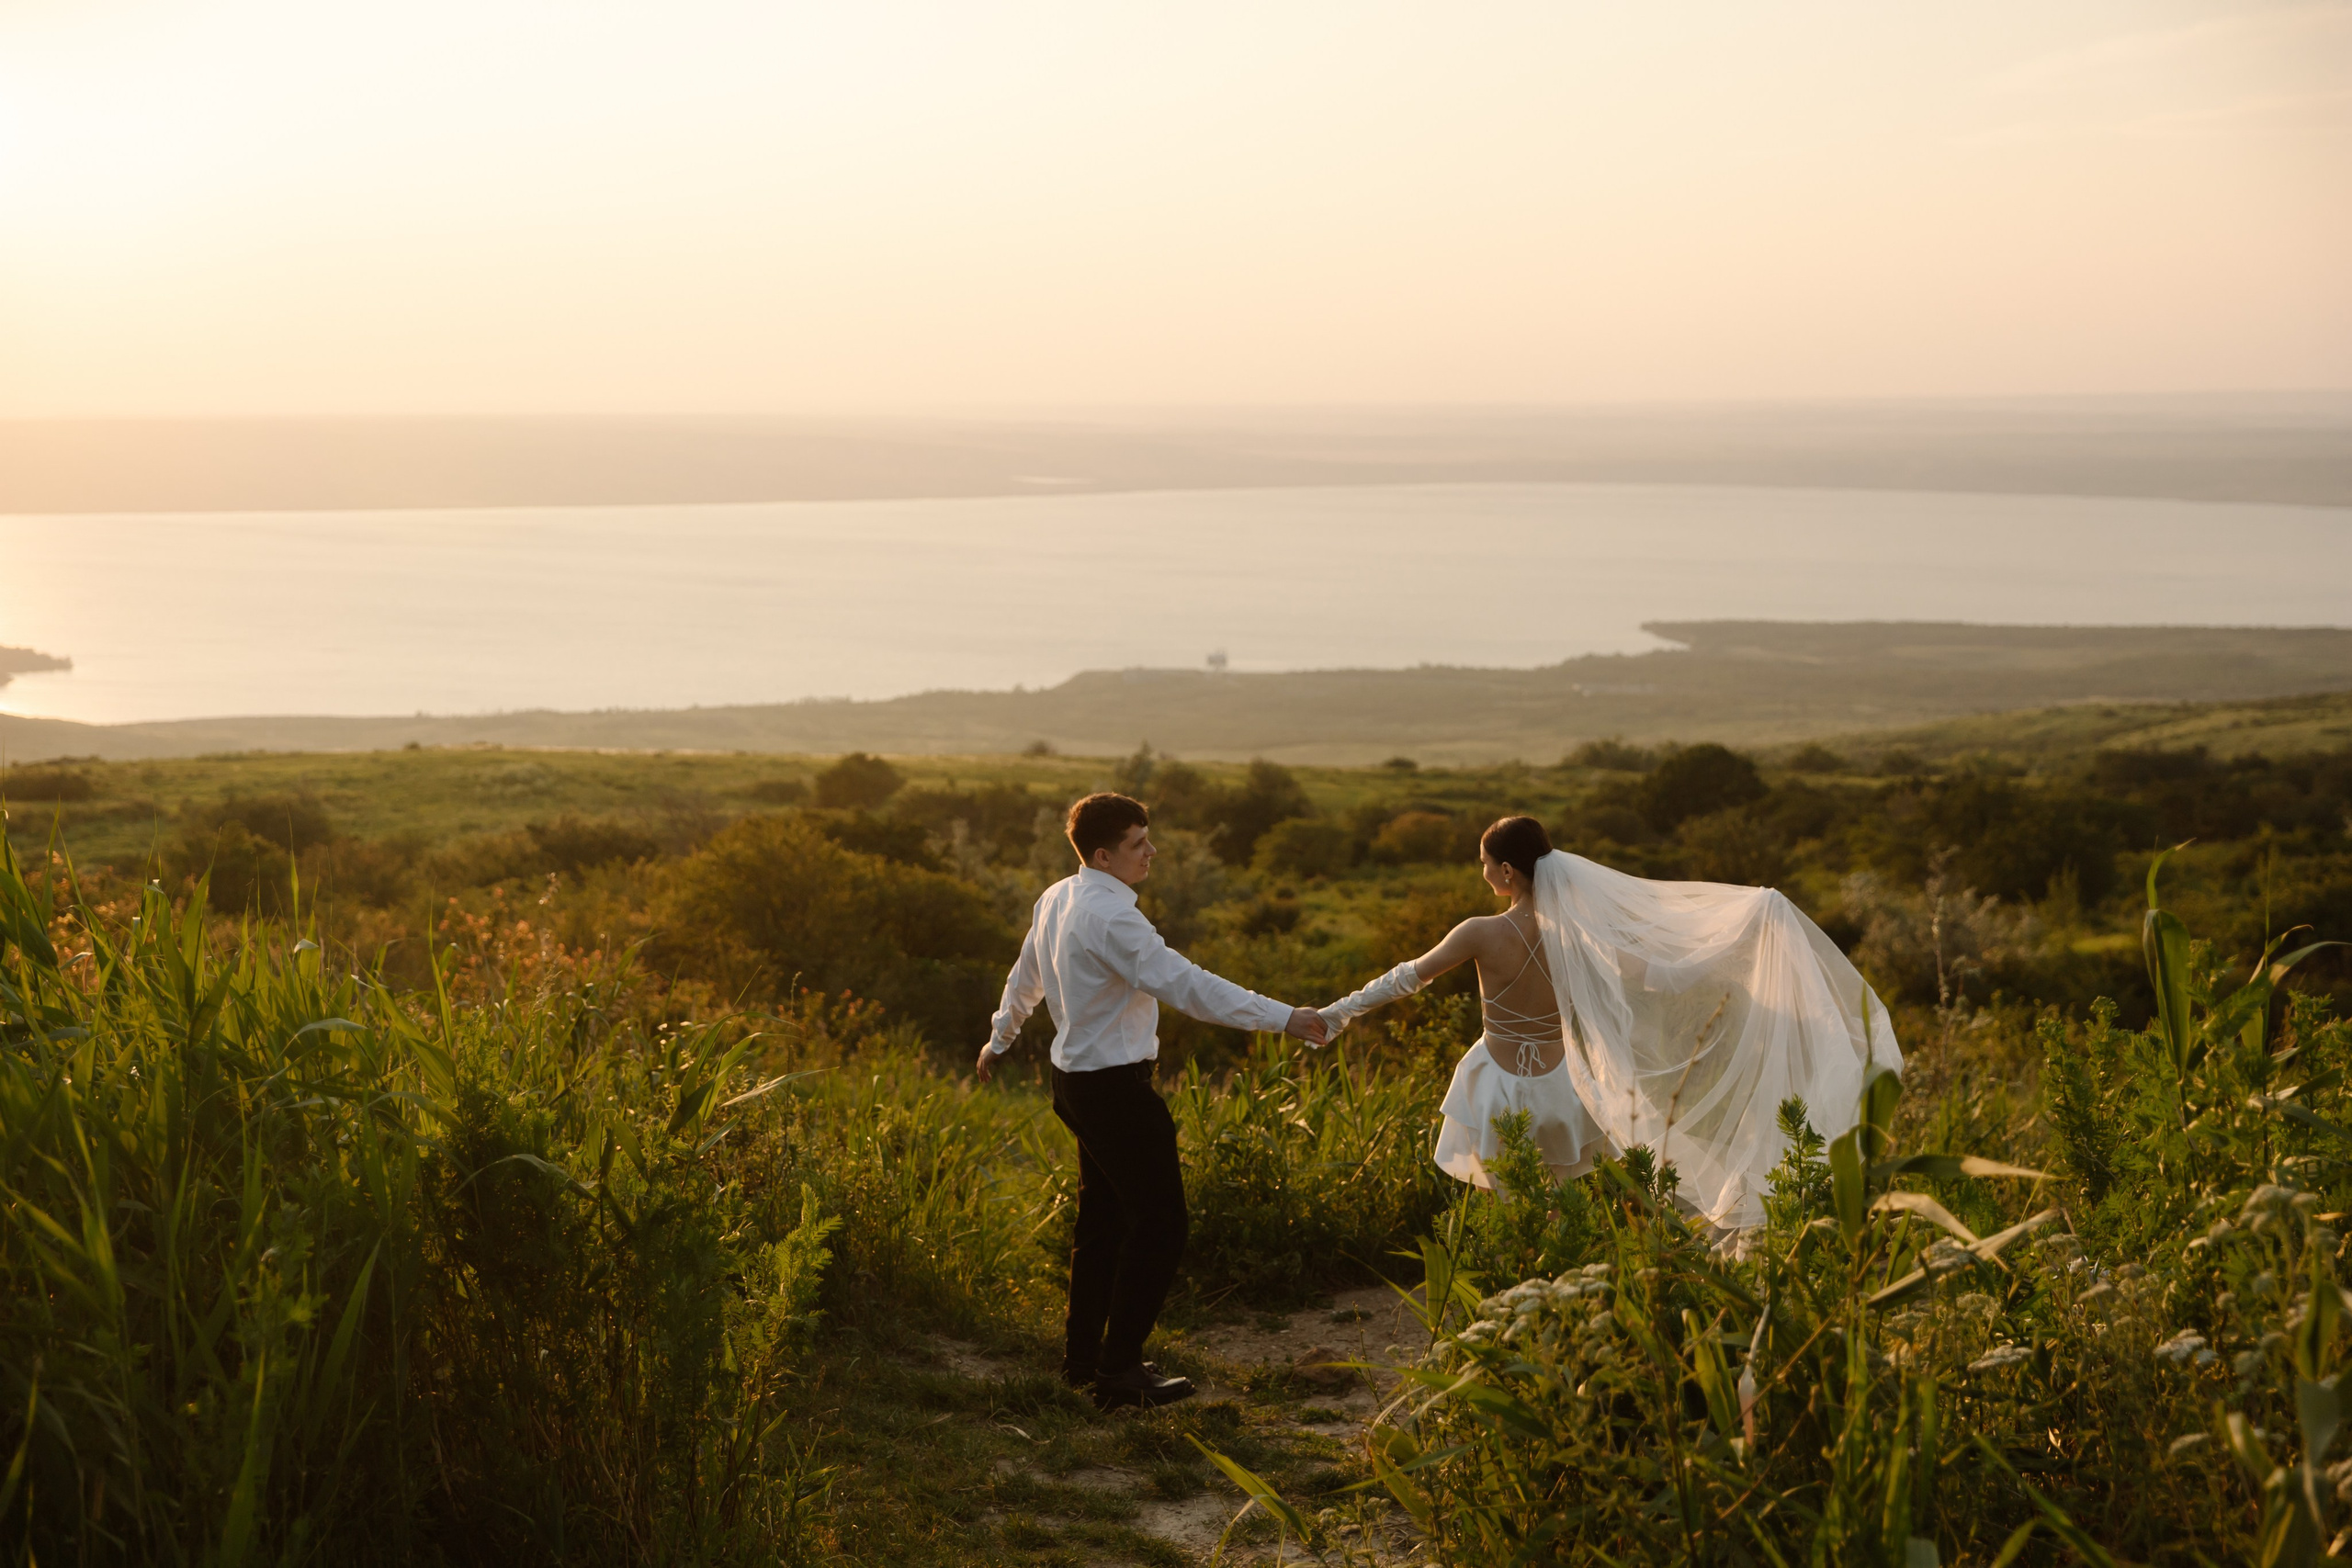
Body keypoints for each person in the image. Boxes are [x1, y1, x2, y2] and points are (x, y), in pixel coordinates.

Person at [1317, 816, 1899, 1232]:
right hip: (1562, 1087)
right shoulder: (1582, 936)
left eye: (1485, 864)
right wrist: (1744, 963)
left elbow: (1406, 978)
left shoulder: (1478, 932)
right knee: (1561, 1207)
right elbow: (1660, 976)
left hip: (1495, 1082)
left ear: (1507, 870)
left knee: (1505, 1207)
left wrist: (1337, 1013)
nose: (1483, 872)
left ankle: (1511, 1290)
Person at [977, 791, 1329, 1409]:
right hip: (1113, 1088)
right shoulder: (1111, 917)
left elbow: (1025, 971)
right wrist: (1284, 1018)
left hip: (1076, 1082)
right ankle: (1118, 1371)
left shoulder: (1059, 895)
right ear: (1105, 854)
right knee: (1161, 1224)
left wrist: (999, 1037)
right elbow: (1187, 985)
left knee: (1103, 1223)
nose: (1153, 851)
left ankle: (1084, 1361)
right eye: (1140, 843)